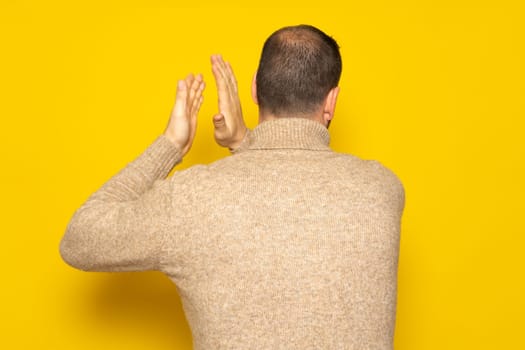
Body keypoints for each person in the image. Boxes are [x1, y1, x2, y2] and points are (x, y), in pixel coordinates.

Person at [60, 24, 405, 349]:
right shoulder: (383, 189)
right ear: (331, 101)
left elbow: (80, 239)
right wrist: (244, 142)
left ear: (255, 88)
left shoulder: (194, 198)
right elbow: (288, 198)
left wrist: (171, 145)